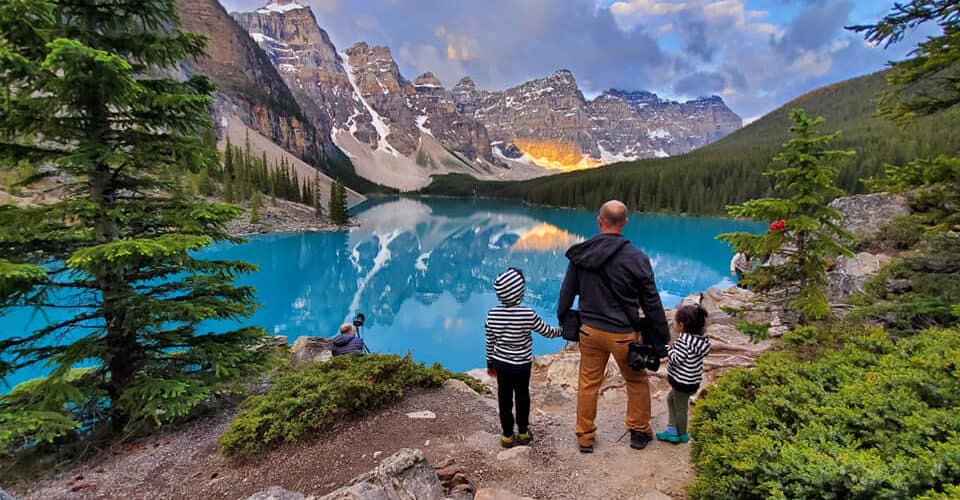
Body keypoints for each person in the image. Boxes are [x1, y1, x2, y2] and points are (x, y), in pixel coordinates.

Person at [558, 200, 670, 453]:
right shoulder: (637, 258)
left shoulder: (581, 254)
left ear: (600, 220)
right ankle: (639, 431)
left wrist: (565, 320)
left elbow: (567, 293)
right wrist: (662, 336)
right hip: (623, 335)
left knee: (588, 383)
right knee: (636, 380)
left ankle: (585, 436)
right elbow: (651, 301)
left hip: (589, 331)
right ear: (625, 223)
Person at [485, 267, 563, 449]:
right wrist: (563, 331)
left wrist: (490, 364)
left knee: (504, 398)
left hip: (501, 364)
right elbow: (547, 332)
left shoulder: (492, 315)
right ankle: (523, 432)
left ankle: (506, 436)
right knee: (522, 396)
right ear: (519, 292)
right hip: (522, 365)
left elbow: (489, 342)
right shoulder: (527, 314)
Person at [656, 304, 711, 444]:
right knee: (670, 399)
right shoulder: (699, 340)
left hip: (682, 382)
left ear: (681, 325)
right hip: (692, 380)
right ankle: (672, 429)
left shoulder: (684, 341)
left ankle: (681, 434)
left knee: (681, 408)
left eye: (675, 322)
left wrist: (668, 350)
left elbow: (677, 358)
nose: (673, 324)